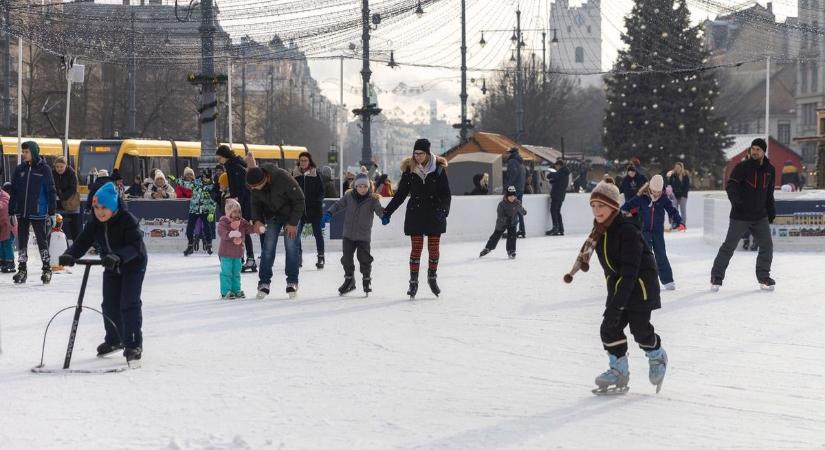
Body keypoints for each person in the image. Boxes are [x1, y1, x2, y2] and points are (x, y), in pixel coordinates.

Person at [563, 177, 667, 394]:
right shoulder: (600, 231)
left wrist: (617, 304)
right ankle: (619, 370)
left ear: (612, 206)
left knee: (640, 330)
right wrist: (616, 301)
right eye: (593, 206)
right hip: (619, 284)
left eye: (601, 206)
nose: (597, 211)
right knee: (608, 328)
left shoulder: (627, 230)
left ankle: (657, 355)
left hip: (640, 286)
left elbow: (630, 271)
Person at [58, 182, 147, 363]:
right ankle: (114, 340)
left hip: (133, 264)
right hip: (110, 265)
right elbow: (82, 242)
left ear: (113, 206)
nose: (100, 212)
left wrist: (119, 257)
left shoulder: (127, 220)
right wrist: (70, 254)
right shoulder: (95, 223)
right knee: (109, 304)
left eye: (104, 207)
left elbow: (135, 246)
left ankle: (133, 344)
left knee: (129, 303)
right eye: (96, 207)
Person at [383, 138, 451, 298]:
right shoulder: (409, 171)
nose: (417, 156)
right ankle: (413, 282)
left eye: (420, 153)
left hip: (435, 214)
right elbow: (400, 195)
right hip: (416, 213)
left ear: (427, 154)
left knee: (433, 249)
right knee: (416, 249)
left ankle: (432, 278)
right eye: (415, 154)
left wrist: (443, 210)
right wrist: (388, 212)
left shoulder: (439, 170)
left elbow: (446, 194)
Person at [711, 138, 776, 291]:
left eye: (758, 149)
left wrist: (771, 209)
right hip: (740, 215)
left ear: (763, 151)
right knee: (729, 246)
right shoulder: (742, 167)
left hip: (760, 215)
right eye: (752, 148)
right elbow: (731, 186)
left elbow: (769, 192)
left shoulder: (770, 170)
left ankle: (764, 277)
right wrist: (737, 203)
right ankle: (717, 276)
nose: (754, 151)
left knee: (767, 245)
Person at [246, 164, 305, 299]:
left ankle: (292, 281)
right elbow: (255, 204)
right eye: (252, 187)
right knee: (268, 247)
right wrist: (257, 220)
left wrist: (292, 223)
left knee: (291, 247)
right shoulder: (254, 184)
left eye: (255, 187)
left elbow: (299, 200)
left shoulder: (282, 178)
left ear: (265, 179)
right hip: (273, 216)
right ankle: (264, 283)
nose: (253, 189)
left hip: (291, 215)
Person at [322, 173, 385, 296]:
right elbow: (337, 205)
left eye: (365, 186)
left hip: (363, 236)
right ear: (355, 186)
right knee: (346, 259)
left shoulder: (373, 199)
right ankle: (349, 280)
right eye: (360, 186)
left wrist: (384, 216)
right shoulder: (349, 196)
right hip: (348, 235)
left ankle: (367, 280)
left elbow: (379, 210)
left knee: (365, 259)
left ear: (369, 187)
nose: (362, 189)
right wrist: (329, 213)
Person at [621, 174, 685, 290]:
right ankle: (643, 281)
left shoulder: (663, 198)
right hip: (644, 232)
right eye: (654, 191)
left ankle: (668, 281)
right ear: (650, 188)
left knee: (661, 255)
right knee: (645, 257)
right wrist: (623, 214)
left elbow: (672, 211)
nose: (656, 194)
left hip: (657, 232)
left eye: (659, 192)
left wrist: (680, 222)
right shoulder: (641, 198)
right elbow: (626, 206)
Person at [8, 141, 57, 284]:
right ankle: (22, 269)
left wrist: (52, 211)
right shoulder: (19, 169)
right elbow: (14, 191)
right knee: (22, 240)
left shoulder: (44, 169)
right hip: (22, 211)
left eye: (26, 152)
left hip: (38, 211)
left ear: (34, 152)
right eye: (23, 152)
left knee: (42, 240)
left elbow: (51, 191)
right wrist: (11, 211)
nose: (24, 154)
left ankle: (46, 269)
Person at [216, 145, 257, 272]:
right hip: (239, 201)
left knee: (242, 228)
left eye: (219, 158)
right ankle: (242, 258)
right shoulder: (231, 164)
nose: (218, 160)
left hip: (242, 202)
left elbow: (241, 185)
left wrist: (237, 199)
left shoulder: (235, 165)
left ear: (225, 156)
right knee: (238, 228)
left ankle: (249, 258)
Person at [216, 199, 258, 299]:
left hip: (238, 254)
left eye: (239, 211)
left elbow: (250, 229)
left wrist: (258, 228)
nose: (237, 214)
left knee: (236, 273)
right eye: (234, 211)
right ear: (228, 212)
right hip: (226, 254)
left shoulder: (242, 222)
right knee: (227, 273)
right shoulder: (224, 222)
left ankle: (236, 290)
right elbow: (222, 233)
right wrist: (231, 233)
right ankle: (225, 291)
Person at [292, 151, 326, 270]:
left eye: (305, 160)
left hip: (314, 209)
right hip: (299, 210)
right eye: (301, 160)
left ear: (309, 161)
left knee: (318, 234)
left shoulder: (316, 174)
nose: (303, 162)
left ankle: (321, 256)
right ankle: (298, 256)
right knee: (296, 234)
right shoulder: (294, 174)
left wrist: (318, 202)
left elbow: (321, 191)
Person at [479, 185, 525, 259]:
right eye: (510, 196)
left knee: (512, 236)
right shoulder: (502, 204)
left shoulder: (517, 203)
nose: (512, 198)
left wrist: (523, 212)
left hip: (513, 222)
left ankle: (511, 250)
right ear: (507, 196)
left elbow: (520, 209)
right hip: (502, 223)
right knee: (496, 236)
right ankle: (488, 248)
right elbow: (500, 216)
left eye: (513, 196)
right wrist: (506, 219)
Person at [184, 170, 218, 256]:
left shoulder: (212, 186)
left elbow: (213, 200)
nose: (206, 179)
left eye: (208, 177)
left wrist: (211, 212)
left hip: (205, 210)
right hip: (194, 209)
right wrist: (175, 180)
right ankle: (190, 245)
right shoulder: (196, 183)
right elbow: (186, 184)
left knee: (207, 228)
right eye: (204, 177)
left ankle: (209, 245)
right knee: (189, 229)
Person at [52, 156, 81, 245]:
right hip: (58, 204)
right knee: (57, 225)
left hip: (71, 203)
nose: (59, 169)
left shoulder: (71, 173)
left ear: (65, 166)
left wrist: (62, 196)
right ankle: (59, 244)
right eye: (57, 167)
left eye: (61, 166)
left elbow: (73, 188)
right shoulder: (53, 173)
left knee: (74, 225)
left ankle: (76, 244)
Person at [505, 147, 526, 238]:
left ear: (511, 153)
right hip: (520, 188)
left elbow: (513, 173)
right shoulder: (520, 162)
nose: (506, 155)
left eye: (508, 153)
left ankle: (512, 230)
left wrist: (508, 186)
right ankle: (522, 230)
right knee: (518, 209)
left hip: (514, 188)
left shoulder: (512, 161)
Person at [546, 158, 570, 236]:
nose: (555, 168)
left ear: (559, 165)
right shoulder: (564, 172)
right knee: (557, 212)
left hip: (557, 194)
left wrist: (549, 176)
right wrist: (552, 181)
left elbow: (553, 175)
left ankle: (555, 228)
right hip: (561, 194)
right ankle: (560, 229)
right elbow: (559, 180)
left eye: (556, 166)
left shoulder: (562, 171)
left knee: (553, 210)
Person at [0, 182, 16, 273]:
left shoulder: (4, 196)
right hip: (2, 226)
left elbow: (3, 206)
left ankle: (10, 262)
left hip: (8, 225)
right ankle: (3, 262)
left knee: (6, 243)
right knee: (2, 244)